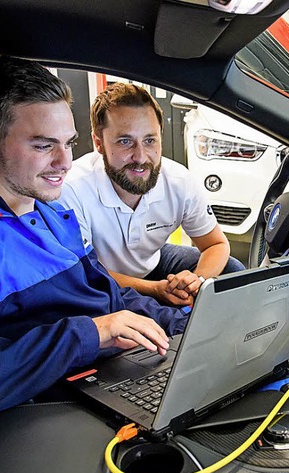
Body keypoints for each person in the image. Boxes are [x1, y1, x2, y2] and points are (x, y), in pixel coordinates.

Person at [0, 55, 189, 431]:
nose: (64, 162)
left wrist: (186, 326)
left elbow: (108, 296)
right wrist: (91, 333)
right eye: (43, 145)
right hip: (47, 413)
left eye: (68, 143)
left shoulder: (54, 211)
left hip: (114, 375)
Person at [58, 83, 244, 307]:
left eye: (149, 140)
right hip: (98, 280)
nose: (141, 156)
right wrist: (155, 290)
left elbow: (216, 245)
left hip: (152, 264)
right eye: (125, 141)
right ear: (99, 143)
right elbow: (84, 273)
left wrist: (197, 281)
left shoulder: (178, 181)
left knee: (231, 270)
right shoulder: (71, 190)